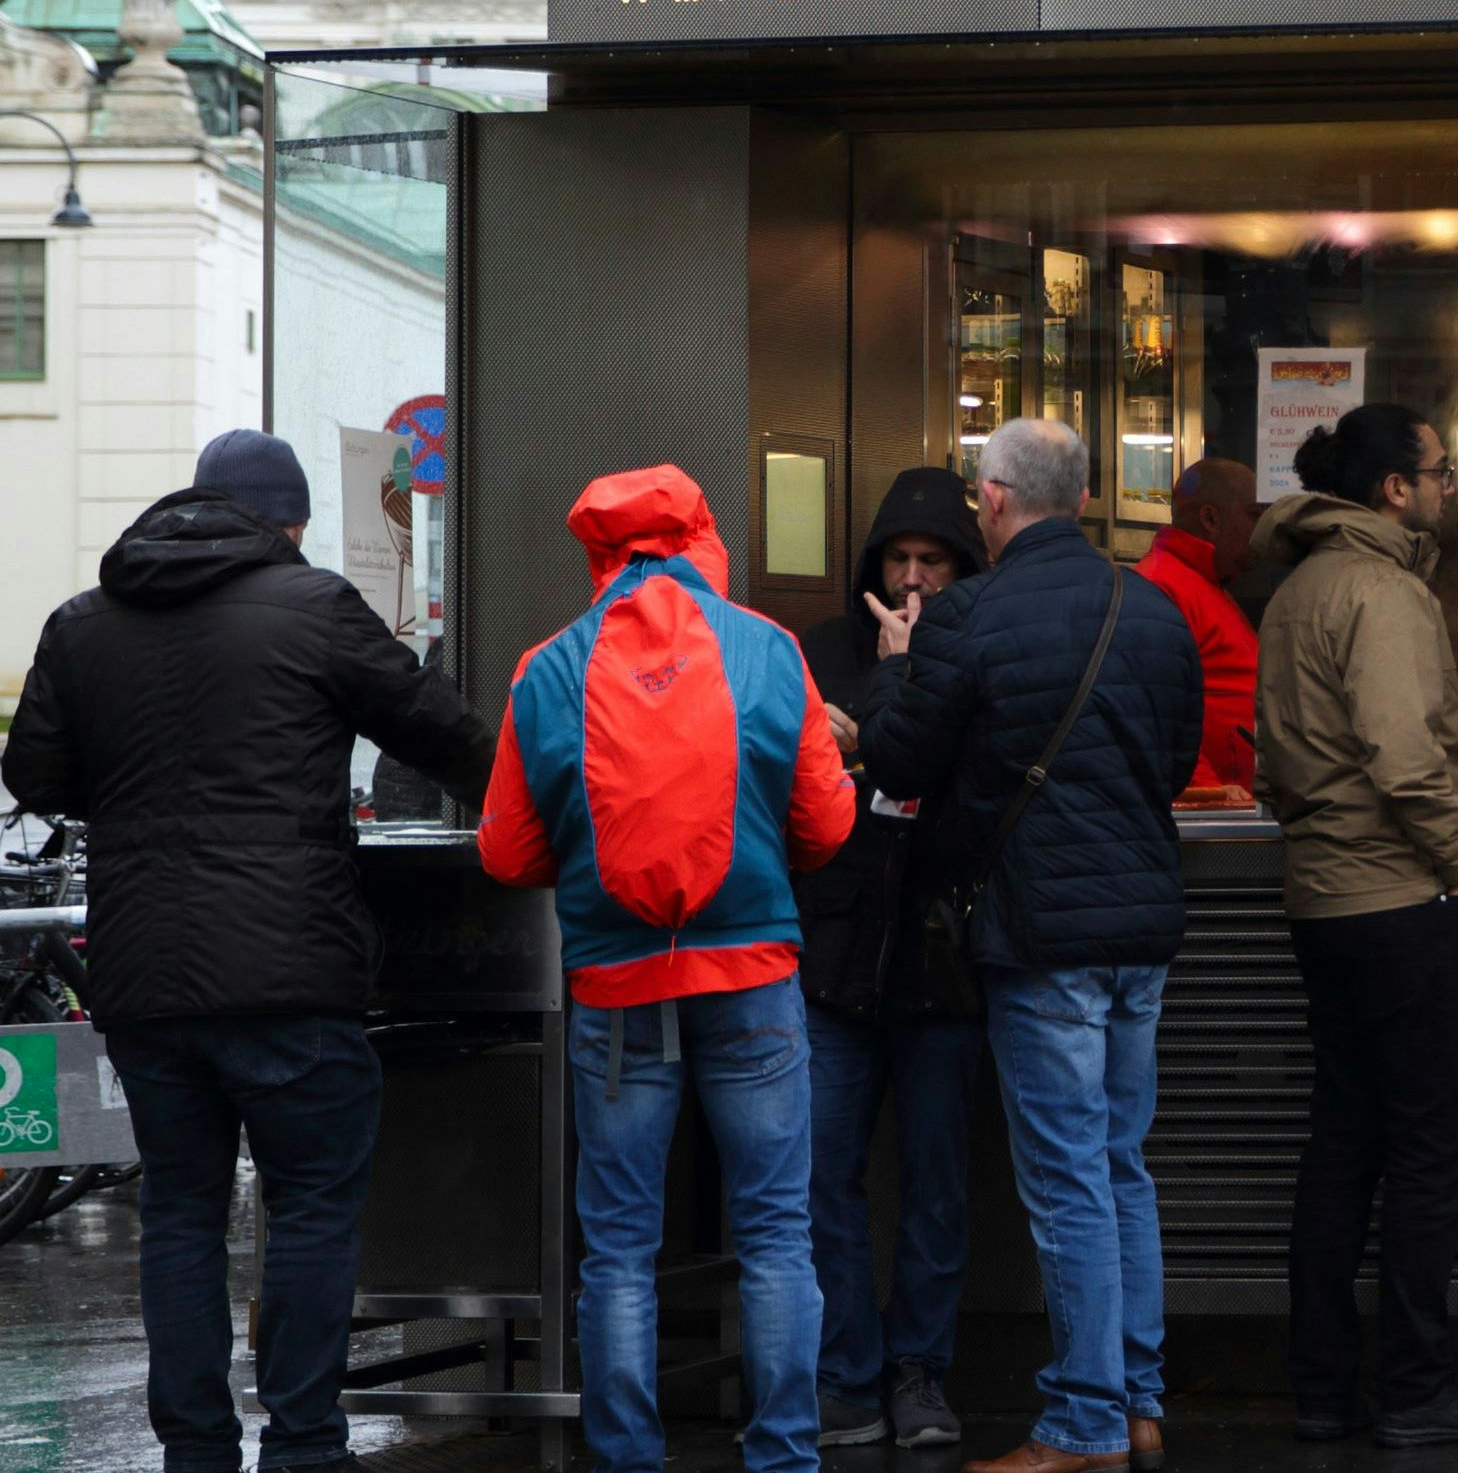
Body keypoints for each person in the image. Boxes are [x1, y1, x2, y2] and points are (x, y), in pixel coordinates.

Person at [5, 433, 491, 1473]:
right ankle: (307, 1444)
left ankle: (195, 1451)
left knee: (180, 1210)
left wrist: (139, 806)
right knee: (310, 1205)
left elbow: (35, 774)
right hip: (289, 967)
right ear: (291, 521)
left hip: (144, 975)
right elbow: (439, 731)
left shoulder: (84, 623)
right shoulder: (312, 606)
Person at [480, 464, 856, 1473]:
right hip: (754, 983)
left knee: (619, 1254)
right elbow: (826, 824)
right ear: (702, 539)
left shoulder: (547, 668)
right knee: (778, 1236)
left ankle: (628, 1457)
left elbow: (507, 854)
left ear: (599, 553)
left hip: (617, 989)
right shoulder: (770, 652)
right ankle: (782, 1455)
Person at [860, 420, 1201, 1473]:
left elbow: (903, 762)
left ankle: (1087, 1424)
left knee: (1064, 1179)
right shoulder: (1154, 611)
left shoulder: (965, 616)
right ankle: (1138, 1402)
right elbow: (1180, 759)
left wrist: (897, 676)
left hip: (1039, 928)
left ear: (994, 500)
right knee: (1118, 1164)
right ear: (1088, 495)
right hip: (1141, 927)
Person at [1251, 402, 1458, 1447]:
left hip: (1323, 897)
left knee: (1342, 1143)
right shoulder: (1384, 589)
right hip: (1403, 899)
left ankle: (1321, 1385)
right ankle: (1417, 1387)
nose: (1451, 485)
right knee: (1426, 1149)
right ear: (1392, 490)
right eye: (1439, 470)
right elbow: (1409, 754)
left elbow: (1278, 760)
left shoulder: (1297, 589)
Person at [790, 468, 989, 1454]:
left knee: (936, 1178)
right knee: (824, 1174)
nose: (912, 582)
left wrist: (891, 712)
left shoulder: (977, 650)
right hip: (833, 949)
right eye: (899, 561)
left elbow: (966, 784)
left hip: (938, 954)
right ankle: (845, 1374)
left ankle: (920, 1371)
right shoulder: (823, 650)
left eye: (934, 563)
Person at [1142, 457, 1264, 792]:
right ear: (1210, 518)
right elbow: (1156, 715)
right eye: (1255, 515)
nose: (1264, 529)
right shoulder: (1163, 585)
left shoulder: (1206, 582)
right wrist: (1212, 798)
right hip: (1216, 822)